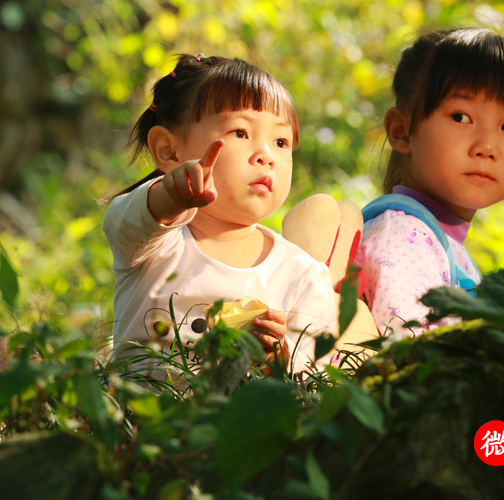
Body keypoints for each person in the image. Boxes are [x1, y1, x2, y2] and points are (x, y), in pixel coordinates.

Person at [102, 54, 336, 381]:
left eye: (280, 142)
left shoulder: (302, 276)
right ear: (169, 151)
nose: (266, 156)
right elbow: (123, 220)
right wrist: (169, 195)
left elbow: (311, 382)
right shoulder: (152, 245)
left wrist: (276, 359)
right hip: (137, 425)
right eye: (240, 132)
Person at [354, 28, 504, 336]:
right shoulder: (403, 237)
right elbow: (412, 362)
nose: (486, 146)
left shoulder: (436, 240)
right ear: (403, 131)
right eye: (461, 117)